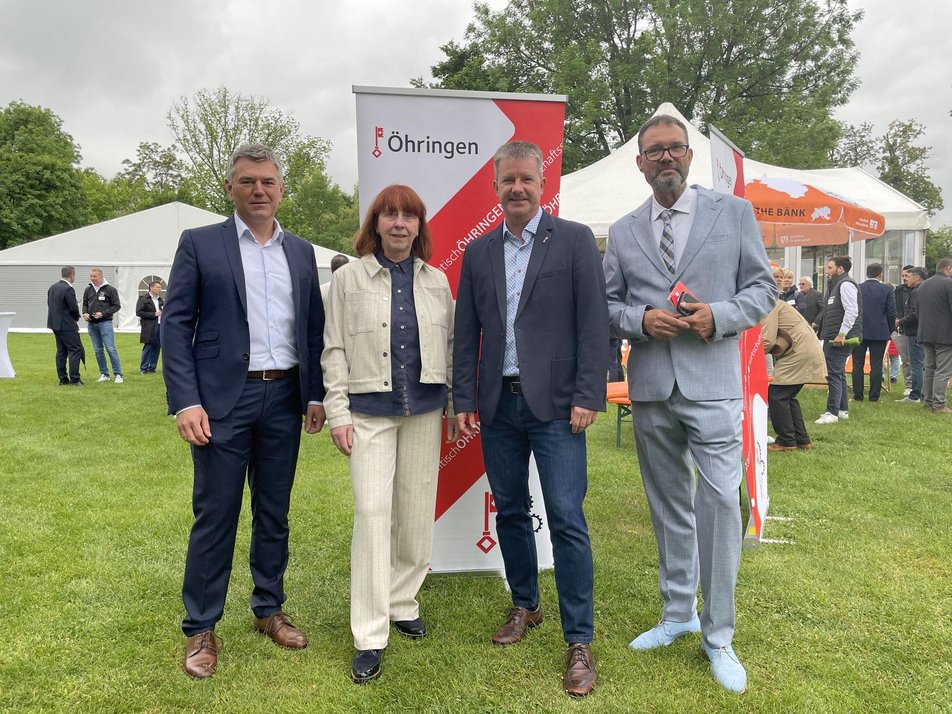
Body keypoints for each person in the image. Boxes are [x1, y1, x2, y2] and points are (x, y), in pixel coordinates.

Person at [602, 114, 775, 694]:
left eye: (674, 148)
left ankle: (718, 635)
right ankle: (679, 612)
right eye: (654, 152)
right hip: (651, 386)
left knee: (722, 503)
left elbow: (762, 289)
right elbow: (606, 305)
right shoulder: (624, 231)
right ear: (640, 163)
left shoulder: (734, 213)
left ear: (690, 156)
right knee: (668, 505)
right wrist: (640, 319)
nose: (665, 158)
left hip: (714, 383)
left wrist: (719, 317)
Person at [162, 144, 326, 679]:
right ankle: (201, 627)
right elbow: (175, 325)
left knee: (274, 512)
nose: (260, 190)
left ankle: (268, 609)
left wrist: (315, 394)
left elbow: (313, 329)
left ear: (282, 189)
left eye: (268, 182)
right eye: (248, 181)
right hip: (220, 404)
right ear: (230, 187)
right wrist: (186, 400)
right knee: (217, 514)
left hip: (283, 398)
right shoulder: (200, 244)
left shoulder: (300, 252)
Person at [453, 140, 608, 698]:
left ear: (541, 184)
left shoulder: (573, 240)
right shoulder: (477, 253)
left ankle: (580, 638)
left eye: (526, 179)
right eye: (507, 180)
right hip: (498, 407)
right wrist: (465, 400)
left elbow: (594, 323)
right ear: (494, 188)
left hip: (560, 406)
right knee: (512, 511)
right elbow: (465, 332)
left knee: (566, 517)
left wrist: (589, 393)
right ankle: (525, 605)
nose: (516, 188)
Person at [322, 185, 457, 685]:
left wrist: (455, 402)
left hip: (423, 411)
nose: (399, 224)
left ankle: (403, 600)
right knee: (373, 514)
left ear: (419, 226)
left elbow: (452, 345)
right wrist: (337, 413)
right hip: (368, 415)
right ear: (375, 224)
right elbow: (333, 349)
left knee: (416, 513)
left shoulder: (437, 282)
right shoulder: (348, 280)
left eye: (409, 216)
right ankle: (369, 634)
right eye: (390, 215)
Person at [761, 300, 826, 451]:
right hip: (805, 347)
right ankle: (801, 439)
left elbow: (767, 340)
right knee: (788, 396)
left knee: (777, 395)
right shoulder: (777, 303)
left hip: (798, 351)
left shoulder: (768, 305)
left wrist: (746, 358)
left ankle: (786, 440)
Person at [814, 256, 862, 425]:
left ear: (840, 269)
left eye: (829, 267)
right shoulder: (835, 285)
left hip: (840, 337)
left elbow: (852, 310)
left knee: (833, 373)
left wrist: (842, 333)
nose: (827, 271)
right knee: (838, 373)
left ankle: (831, 412)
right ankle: (842, 410)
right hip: (834, 335)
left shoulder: (845, 284)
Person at [851, 263, 896, 402]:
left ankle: (858, 395)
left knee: (857, 364)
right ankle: (874, 396)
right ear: (880, 274)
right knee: (876, 364)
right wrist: (890, 328)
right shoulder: (887, 289)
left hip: (859, 330)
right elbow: (891, 311)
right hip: (880, 331)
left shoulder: (858, 288)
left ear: (866, 273)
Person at [915, 257, 952, 413]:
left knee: (929, 368)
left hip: (925, 332)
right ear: (949, 268)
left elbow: (917, 310)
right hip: (945, 335)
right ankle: (939, 404)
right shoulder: (949, 284)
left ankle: (928, 401)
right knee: (943, 371)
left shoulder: (923, 285)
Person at [82, 268, 124, 383]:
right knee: (98, 350)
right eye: (91, 276)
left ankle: (118, 374)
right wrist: (85, 313)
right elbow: (85, 303)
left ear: (101, 276)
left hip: (105, 323)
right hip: (92, 324)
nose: (92, 278)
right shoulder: (88, 289)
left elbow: (116, 306)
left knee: (110, 349)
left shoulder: (110, 289)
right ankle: (104, 374)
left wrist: (103, 313)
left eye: (94, 276)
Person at [47, 266, 84, 386]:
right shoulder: (68, 289)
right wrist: (76, 317)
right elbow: (73, 307)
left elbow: (50, 304)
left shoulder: (52, 287)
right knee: (75, 349)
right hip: (67, 324)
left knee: (61, 351)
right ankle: (75, 379)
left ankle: (63, 379)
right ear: (72, 275)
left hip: (55, 324)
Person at [895, 267, 927, 403]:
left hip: (914, 331)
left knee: (916, 364)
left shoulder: (916, 292)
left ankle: (915, 395)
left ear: (917, 277)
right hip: (921, 331)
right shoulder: (923, 290)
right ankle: (922, 393)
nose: (906, 279)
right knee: (921, 364)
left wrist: (900, 321)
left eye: (909, 276)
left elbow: (914, 313)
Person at [893, 265, 915, 393]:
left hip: (915, 328)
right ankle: (908, 385)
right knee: (905, 359)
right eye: (903, 276)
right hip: (900, 329)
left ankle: (918, 385)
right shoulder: (899, 290)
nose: (904, 278)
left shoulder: (919, 290)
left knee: (917, 360)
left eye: (907, 276)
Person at [135, 281, 164, 374]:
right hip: (149, 326)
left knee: (157, 346)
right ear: (151, 288)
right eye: (158, 287)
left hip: (160, 325)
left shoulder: (160, 300)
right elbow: (139, 312)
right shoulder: (143, 299)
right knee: (148, 346)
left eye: (160, 287)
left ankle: (152, 367)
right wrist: (153, 314)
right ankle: (143, 368)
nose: (160, 289)